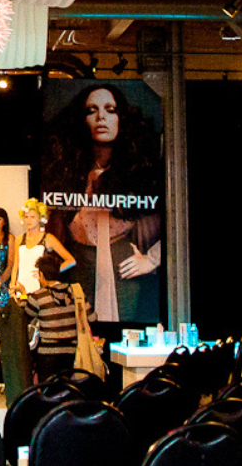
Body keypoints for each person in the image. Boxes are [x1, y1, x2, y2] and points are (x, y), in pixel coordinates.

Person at [43, 83, 163, 323]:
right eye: (91, 110)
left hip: (122, 262)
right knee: (83, 325)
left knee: (125, 323)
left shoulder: (141, 172)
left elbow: (173, 221)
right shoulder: (68, 171)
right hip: (79, 260)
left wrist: (153, 258)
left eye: (110, 109)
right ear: (82, 119)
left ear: (121, 117)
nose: (101, 117)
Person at [22, 251, 91, 383]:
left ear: (41, 275)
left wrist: (24, 295)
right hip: (71, 353)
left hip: (47, 353)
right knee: (65, 387)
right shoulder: (75, 292)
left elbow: (27, 315)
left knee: (48, 390)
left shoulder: (38, 296)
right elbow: (92, 317)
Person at [14, 197, 75, 295]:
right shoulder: (19, 239)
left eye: (32, 217)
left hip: (40, 287)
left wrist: (49, 272)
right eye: (26, 217)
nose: (29, 220)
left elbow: (71, 260)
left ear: (40, 218)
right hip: (21, 286)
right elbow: (15, 266)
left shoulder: (48, 238)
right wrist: (13, 286)